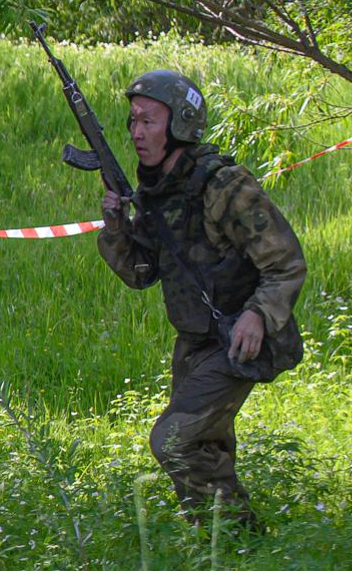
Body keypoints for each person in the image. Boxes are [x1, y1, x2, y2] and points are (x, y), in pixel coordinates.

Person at [97, 70, 305, 533]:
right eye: (132, 121)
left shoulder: (224, 185)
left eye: (149, 121)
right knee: (205, 448)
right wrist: (116, 228)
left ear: (181, 126)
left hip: (240, 340)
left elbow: (286, 263)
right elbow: (141, 273)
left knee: (172, 440)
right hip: (195, 343)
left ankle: (235, 539)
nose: (136, 132)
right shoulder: (158, 190)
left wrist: (257, 315)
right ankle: (227, 549)